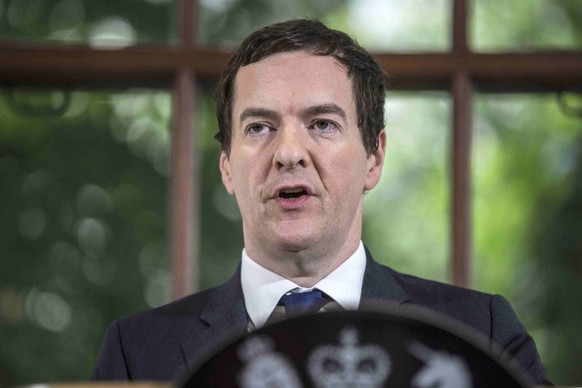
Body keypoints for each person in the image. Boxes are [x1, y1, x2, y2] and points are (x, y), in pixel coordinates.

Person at [93, 19, 549, 385]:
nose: (289, 153)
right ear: (227, 167)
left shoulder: (482, 331)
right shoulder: (136, 352)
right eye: (259, 128)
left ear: (374, 157)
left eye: (322, 124)